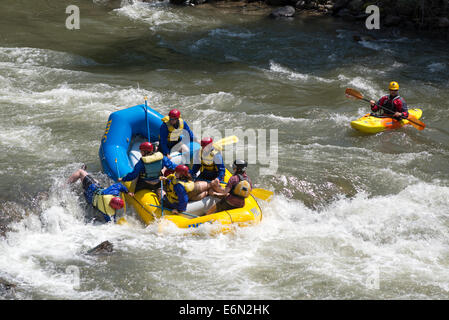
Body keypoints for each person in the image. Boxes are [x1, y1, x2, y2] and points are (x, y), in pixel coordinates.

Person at [67, 166, 134, 223]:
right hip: (90, 200)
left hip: (92, 188)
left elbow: (119, 185)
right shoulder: (110, 213)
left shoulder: (110, 193)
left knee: (80, 171)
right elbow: (110, 223)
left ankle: (65, 185)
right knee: (95, 182)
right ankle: (84, 180)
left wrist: (127, 192)